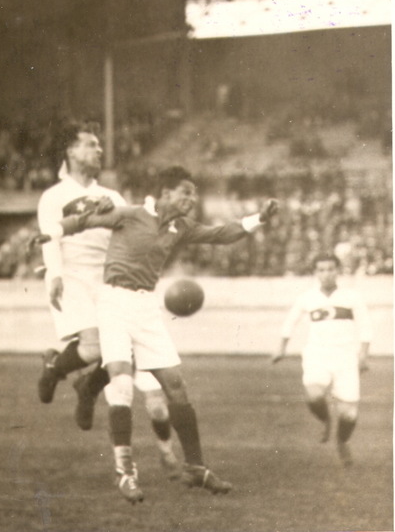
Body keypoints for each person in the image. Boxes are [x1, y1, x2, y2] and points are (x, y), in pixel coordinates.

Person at [37, 164, 278, 504]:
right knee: (121, 384)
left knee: (176, 385)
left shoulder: (180, 226)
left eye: (194, 194)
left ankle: (196, 467)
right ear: (166, 193)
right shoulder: (131, 214)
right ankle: (125, 472)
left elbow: (221, 234)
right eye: (186, 192)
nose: (192, 199)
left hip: (146, 307)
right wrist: (51, 234)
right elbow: (84, 221)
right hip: (114, 303)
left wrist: (259, 219)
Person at [36, 123, 181, 477]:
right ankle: (59, 371)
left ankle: (83, 384)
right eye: (90, 144)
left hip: (108, 277)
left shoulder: (112, 196)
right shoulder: (54, 196)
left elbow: (132, 230)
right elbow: (50, 235)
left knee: (119, 351)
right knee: (94, 346)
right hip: (73, 275)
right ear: (71, 151)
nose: (99, 150)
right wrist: (54, 274)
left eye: (99, 145)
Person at [271, 252, 372, 465]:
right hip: (318, 354)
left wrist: (363, 355)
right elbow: (290, 321)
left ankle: (342, 441)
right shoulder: (307, 298)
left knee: (349, 415)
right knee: (314, 395)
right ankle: (326, 419)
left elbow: (365, 325)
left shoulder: (351, 297)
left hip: (346, 357)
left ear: (338, 271)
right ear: (315, 273)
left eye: (330, 269)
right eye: (321, 270)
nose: (326, 274)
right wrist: (281, 348)